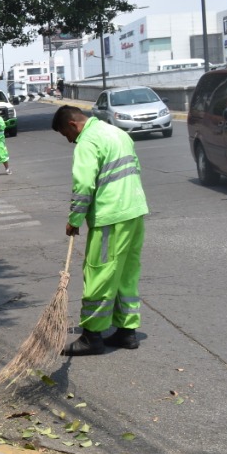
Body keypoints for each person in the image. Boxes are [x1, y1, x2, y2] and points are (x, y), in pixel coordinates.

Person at [51, 105, 149, 356]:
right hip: (134, 211)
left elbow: (83, 185)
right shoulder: (116, 133)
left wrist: (75, 219)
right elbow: (135, 168)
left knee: (99, 273)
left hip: (110, 217)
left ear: (73, 125)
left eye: (66, 135)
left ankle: (92, 336)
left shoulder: (88, 141)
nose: (70, 141)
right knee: (126, 272)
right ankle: (127, 332)